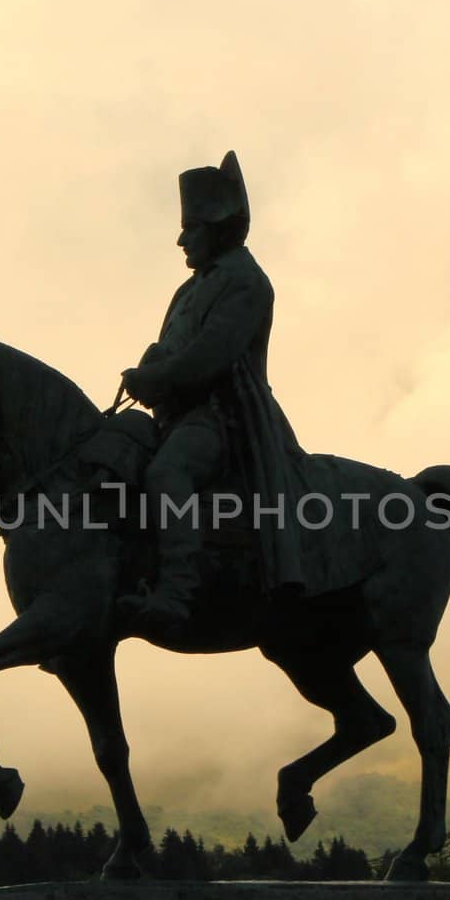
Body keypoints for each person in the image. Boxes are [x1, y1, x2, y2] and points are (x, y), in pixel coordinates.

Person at [118, 151, 307, 628]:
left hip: (223, 416)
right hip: (177, 412)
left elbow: (209, 356)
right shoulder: (191, 288)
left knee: (167, 473)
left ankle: (177, 592)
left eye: (192, 228)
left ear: (217, 230)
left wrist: (157, 377)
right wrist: (151, 364)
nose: (182, 239)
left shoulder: (246, 281)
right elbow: (172, 347)